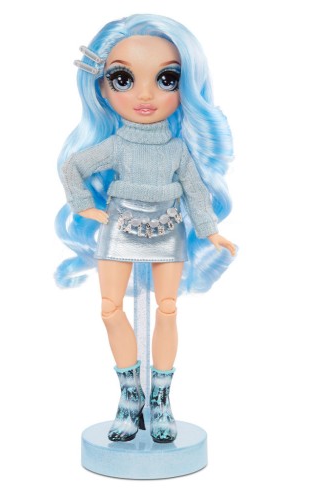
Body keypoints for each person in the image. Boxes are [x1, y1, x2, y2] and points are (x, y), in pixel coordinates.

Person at [55, 14, 236, 443]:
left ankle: (161, 398)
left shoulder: (177, 150)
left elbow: (195, 192)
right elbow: (73, 167)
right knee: (109, 308)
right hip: (119, 226)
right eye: (123, 79)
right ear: (101, 87)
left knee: (168, 308)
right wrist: (85, 207)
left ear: (186, 87)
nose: (145, 94)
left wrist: (210, 231)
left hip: (167, 227)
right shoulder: (115, 145)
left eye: (167, 79)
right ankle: (129, 394)